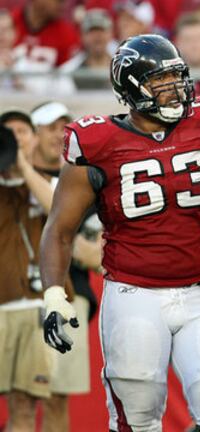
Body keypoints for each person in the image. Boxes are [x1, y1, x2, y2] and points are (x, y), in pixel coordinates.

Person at [39, 34, 200, 432]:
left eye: (176, 78)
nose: (174, 90)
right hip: (134, 294)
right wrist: (53, 294)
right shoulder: (96, 143)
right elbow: (59, 229)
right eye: (160, 81)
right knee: (137, 420)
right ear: (132, 87)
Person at [28, 101, 100, 432]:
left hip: (66, 296)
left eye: (64, 127)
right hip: (13, 294)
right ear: (34, 134)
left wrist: (22, 169)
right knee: (19, 396)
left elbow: (92, 255)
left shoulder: (83, 181)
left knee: (57, 397)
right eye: (50, 127)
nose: (59, 134)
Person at [0, 109, 65, 432]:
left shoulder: (47, 181)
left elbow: (58, 208)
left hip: (32, 305)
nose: (15, 138)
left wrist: (22, 165)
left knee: (25, 405)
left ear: (34, 138)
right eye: (8, 133)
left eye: (22, 132)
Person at [10, 0, 80, 92]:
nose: (63, 4)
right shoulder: (9, 23)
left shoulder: (67, 34)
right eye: (58, 1)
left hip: (45, 96)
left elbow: (67, 81)